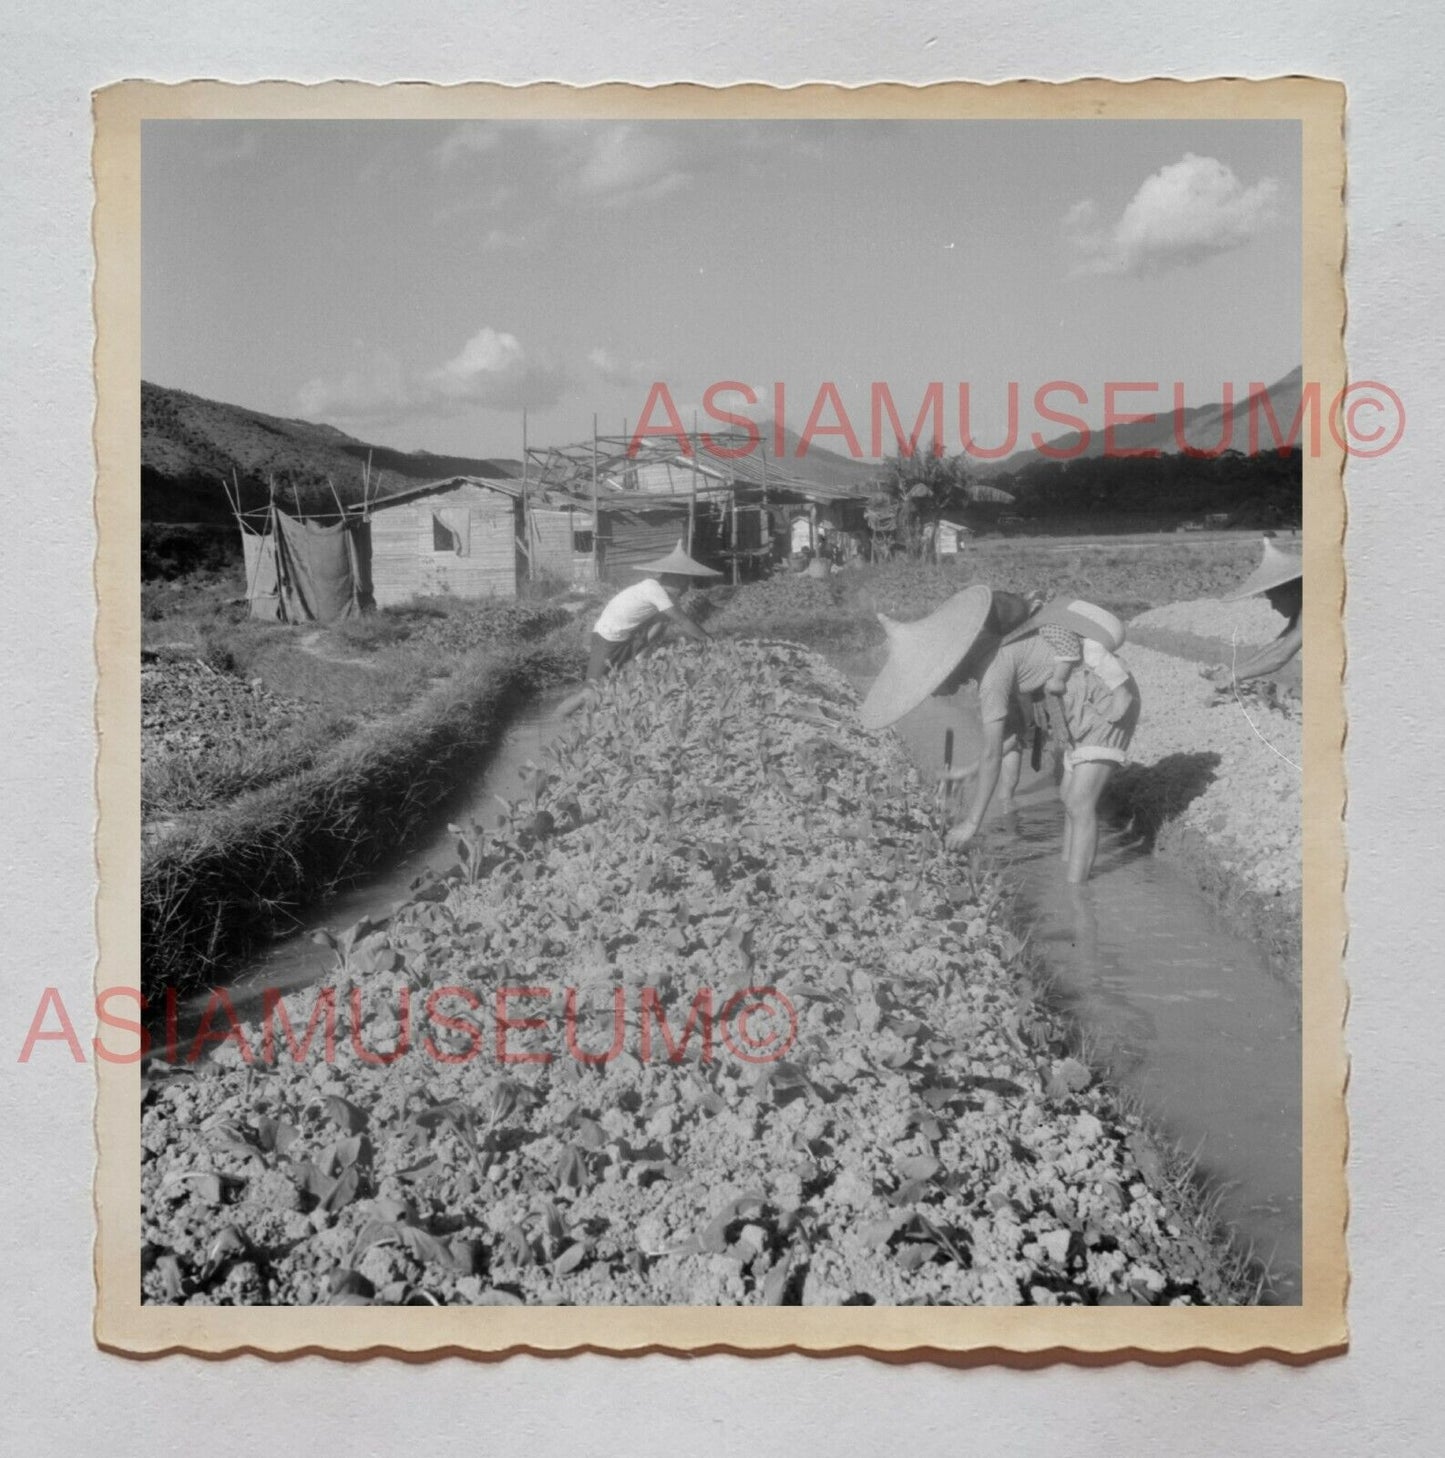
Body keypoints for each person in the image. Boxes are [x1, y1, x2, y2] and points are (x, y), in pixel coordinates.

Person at [859, 590, 1138, 884]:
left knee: (1079, 803)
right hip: (1073, 714)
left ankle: (1079, 896)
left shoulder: (992, 675)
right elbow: (1011, 738)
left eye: (935, 682)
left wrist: (971, 823)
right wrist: (971, 770)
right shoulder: (993, 657)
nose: (938, 691)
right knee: (1069, 799)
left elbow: (994, 753)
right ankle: (1072, 882)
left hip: (1103, 705)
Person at [1208, 537, 1303, 689]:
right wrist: (1235, 671)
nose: (1273, 607)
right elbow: (1279, 644)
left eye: (1275, 600)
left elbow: (1281, 655)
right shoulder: (1302, 609)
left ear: (1292, 593)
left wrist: (1236, 675)